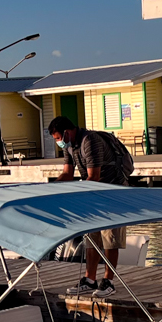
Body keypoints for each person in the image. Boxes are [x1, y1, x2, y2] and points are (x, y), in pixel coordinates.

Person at [48, 115, 129, 298]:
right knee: (91, 238)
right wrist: (49, 188)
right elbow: (67, 174)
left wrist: (77, 196)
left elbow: (94, 177)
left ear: (67, 132)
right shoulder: (69, 147)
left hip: (112, 192)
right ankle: (90, 279)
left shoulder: (89, 141)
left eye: (58, 139)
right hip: (93, 194)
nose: (59, 143)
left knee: (110, 238)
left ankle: (108, 281)